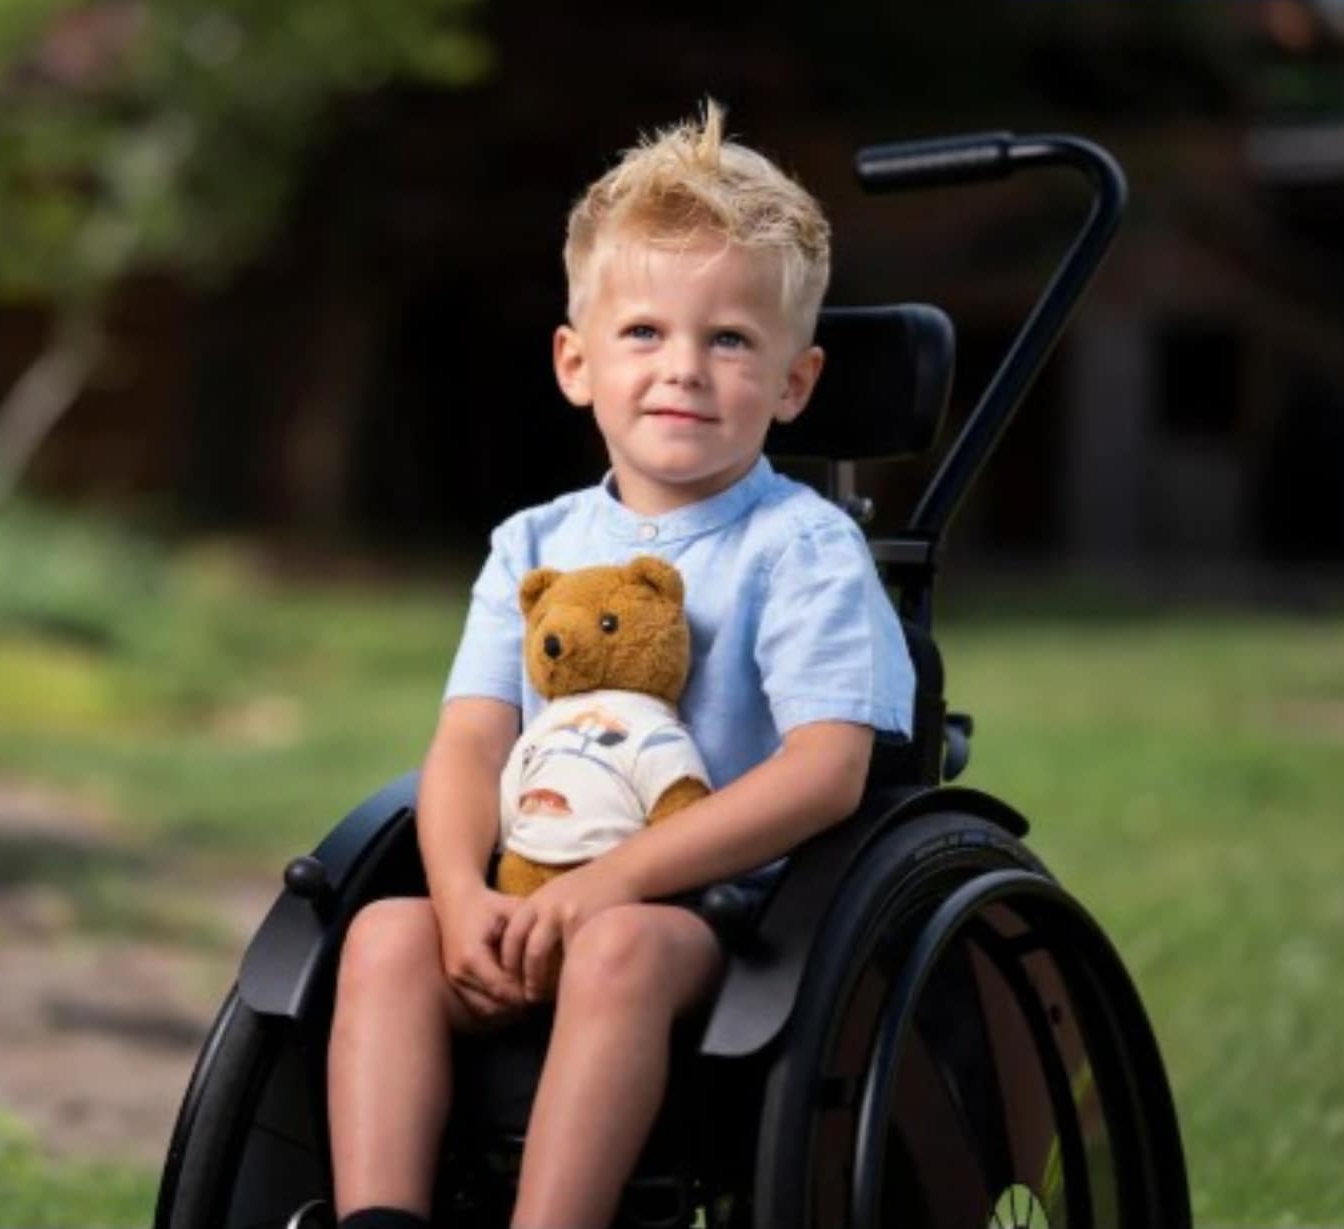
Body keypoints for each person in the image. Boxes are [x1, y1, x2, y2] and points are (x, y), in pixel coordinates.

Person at [325, 99, 916, 1229]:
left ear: (792, 383)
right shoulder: (533, 544)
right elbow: (469, 736)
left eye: (730, 339)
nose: (682, 369)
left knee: (620, 950)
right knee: (382, 933)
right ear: (575, 361)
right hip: (523, 892)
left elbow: (825, 771)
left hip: (727, 918)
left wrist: (611, 884)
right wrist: (455, 892)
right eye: (643, 333)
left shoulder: (797, 547)